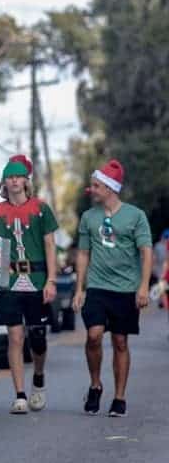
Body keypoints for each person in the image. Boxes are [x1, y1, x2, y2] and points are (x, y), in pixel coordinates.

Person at [73, 159, 152, 418]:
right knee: (94, 335)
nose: (91, 189)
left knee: (120, 341)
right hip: (97, 286)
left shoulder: (135, 216)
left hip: (126, 289)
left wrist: (143, 288)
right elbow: (83, 253)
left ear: (109, 188)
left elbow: (146, 252)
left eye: (96, 185)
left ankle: (119, 398)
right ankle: (95, 385)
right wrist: (79, 288)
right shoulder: (88, 217)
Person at [0, 155, 58, 414]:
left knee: (37, 338)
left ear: (26, 181)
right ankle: (19, 395)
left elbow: (50, 245)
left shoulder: (40, 209)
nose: (14, 181)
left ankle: (38, 377)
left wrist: (51, 280)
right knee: (15, 337)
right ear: (4, 182)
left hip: (37, 278)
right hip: (10, 282)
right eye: (9, 177)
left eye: (18, 176)